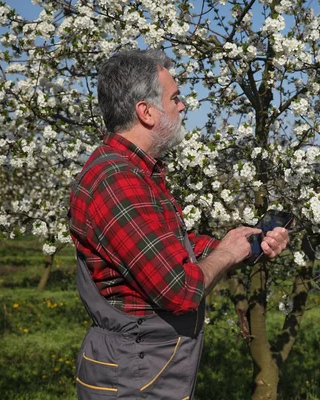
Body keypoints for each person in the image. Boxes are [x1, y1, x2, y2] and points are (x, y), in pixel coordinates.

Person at [67, 49, 289, 400]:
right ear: (146, 112)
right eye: (174, 98)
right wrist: (226, 255)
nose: (183, 106)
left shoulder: (136, 172)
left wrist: (243, 243)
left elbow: (169, 247)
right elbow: (179, 290)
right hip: (133, 379)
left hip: (143, 369)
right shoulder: (118, 181)